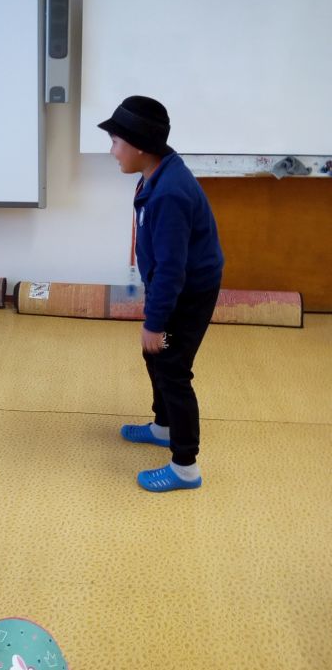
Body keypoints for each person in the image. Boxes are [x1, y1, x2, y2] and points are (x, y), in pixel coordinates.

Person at [98, 96, 224, 492]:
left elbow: (172, 269)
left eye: (115, 142)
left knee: (172, 368)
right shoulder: (154, 175)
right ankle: (164, 426)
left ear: (139, 146)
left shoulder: (170, 192)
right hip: (173, 289)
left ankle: (186, 467)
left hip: (187, 294)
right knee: (156, 354)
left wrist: (155, 323)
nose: (112, 151)